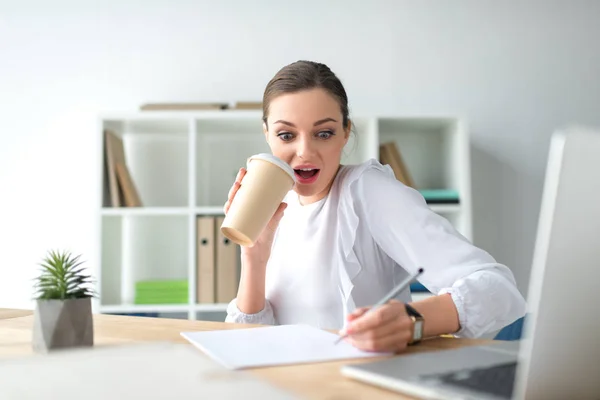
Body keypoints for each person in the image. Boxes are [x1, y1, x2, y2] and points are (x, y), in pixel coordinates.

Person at [224, 60, 527, 353]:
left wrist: (412, 321)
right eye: (286, 135)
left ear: (345, 133)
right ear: (267, 134)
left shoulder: (367, 190)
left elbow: (498, 289)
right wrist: (254, 257)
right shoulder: (278, 205)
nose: (304, 151)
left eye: (324, 133)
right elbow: (251, 341)